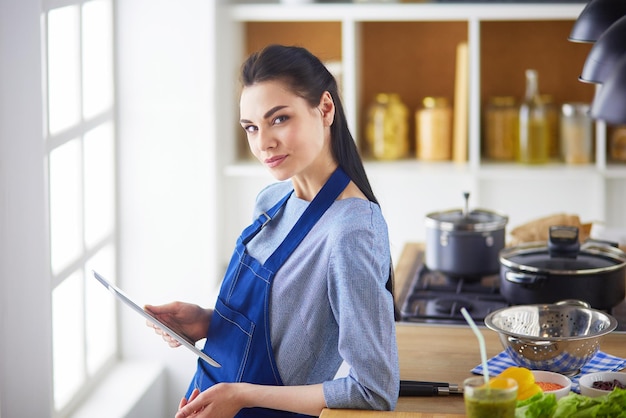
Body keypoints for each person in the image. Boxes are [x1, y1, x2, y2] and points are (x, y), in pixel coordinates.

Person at [145, 44, 399, 418]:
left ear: (325, 108)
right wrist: (207, 321)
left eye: (279, 119)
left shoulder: (351, 232)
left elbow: (374, 390)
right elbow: (285, 328)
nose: (263, 143)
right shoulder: (272, 200)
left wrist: (243, 396)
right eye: (251, 127)